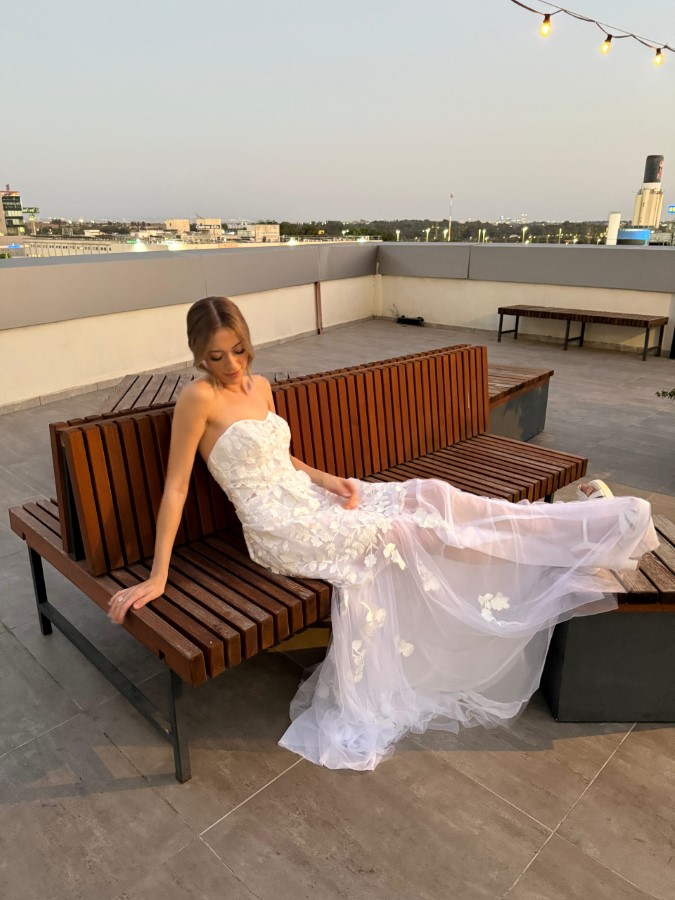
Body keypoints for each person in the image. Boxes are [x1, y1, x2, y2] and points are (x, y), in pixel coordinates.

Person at [108, 296, 659, 771]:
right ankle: (552, 550)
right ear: (197, 354)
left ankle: (580, 526)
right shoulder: (199, 399)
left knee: (430, 495)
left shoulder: (262, 385)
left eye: (238, 350)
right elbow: (176, 488)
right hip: (280, 528)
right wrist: (159, 577)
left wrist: (331, 480)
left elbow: (282, 459)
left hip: (311, 499)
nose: (231, 365)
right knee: (407, 531)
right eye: (216, 356)